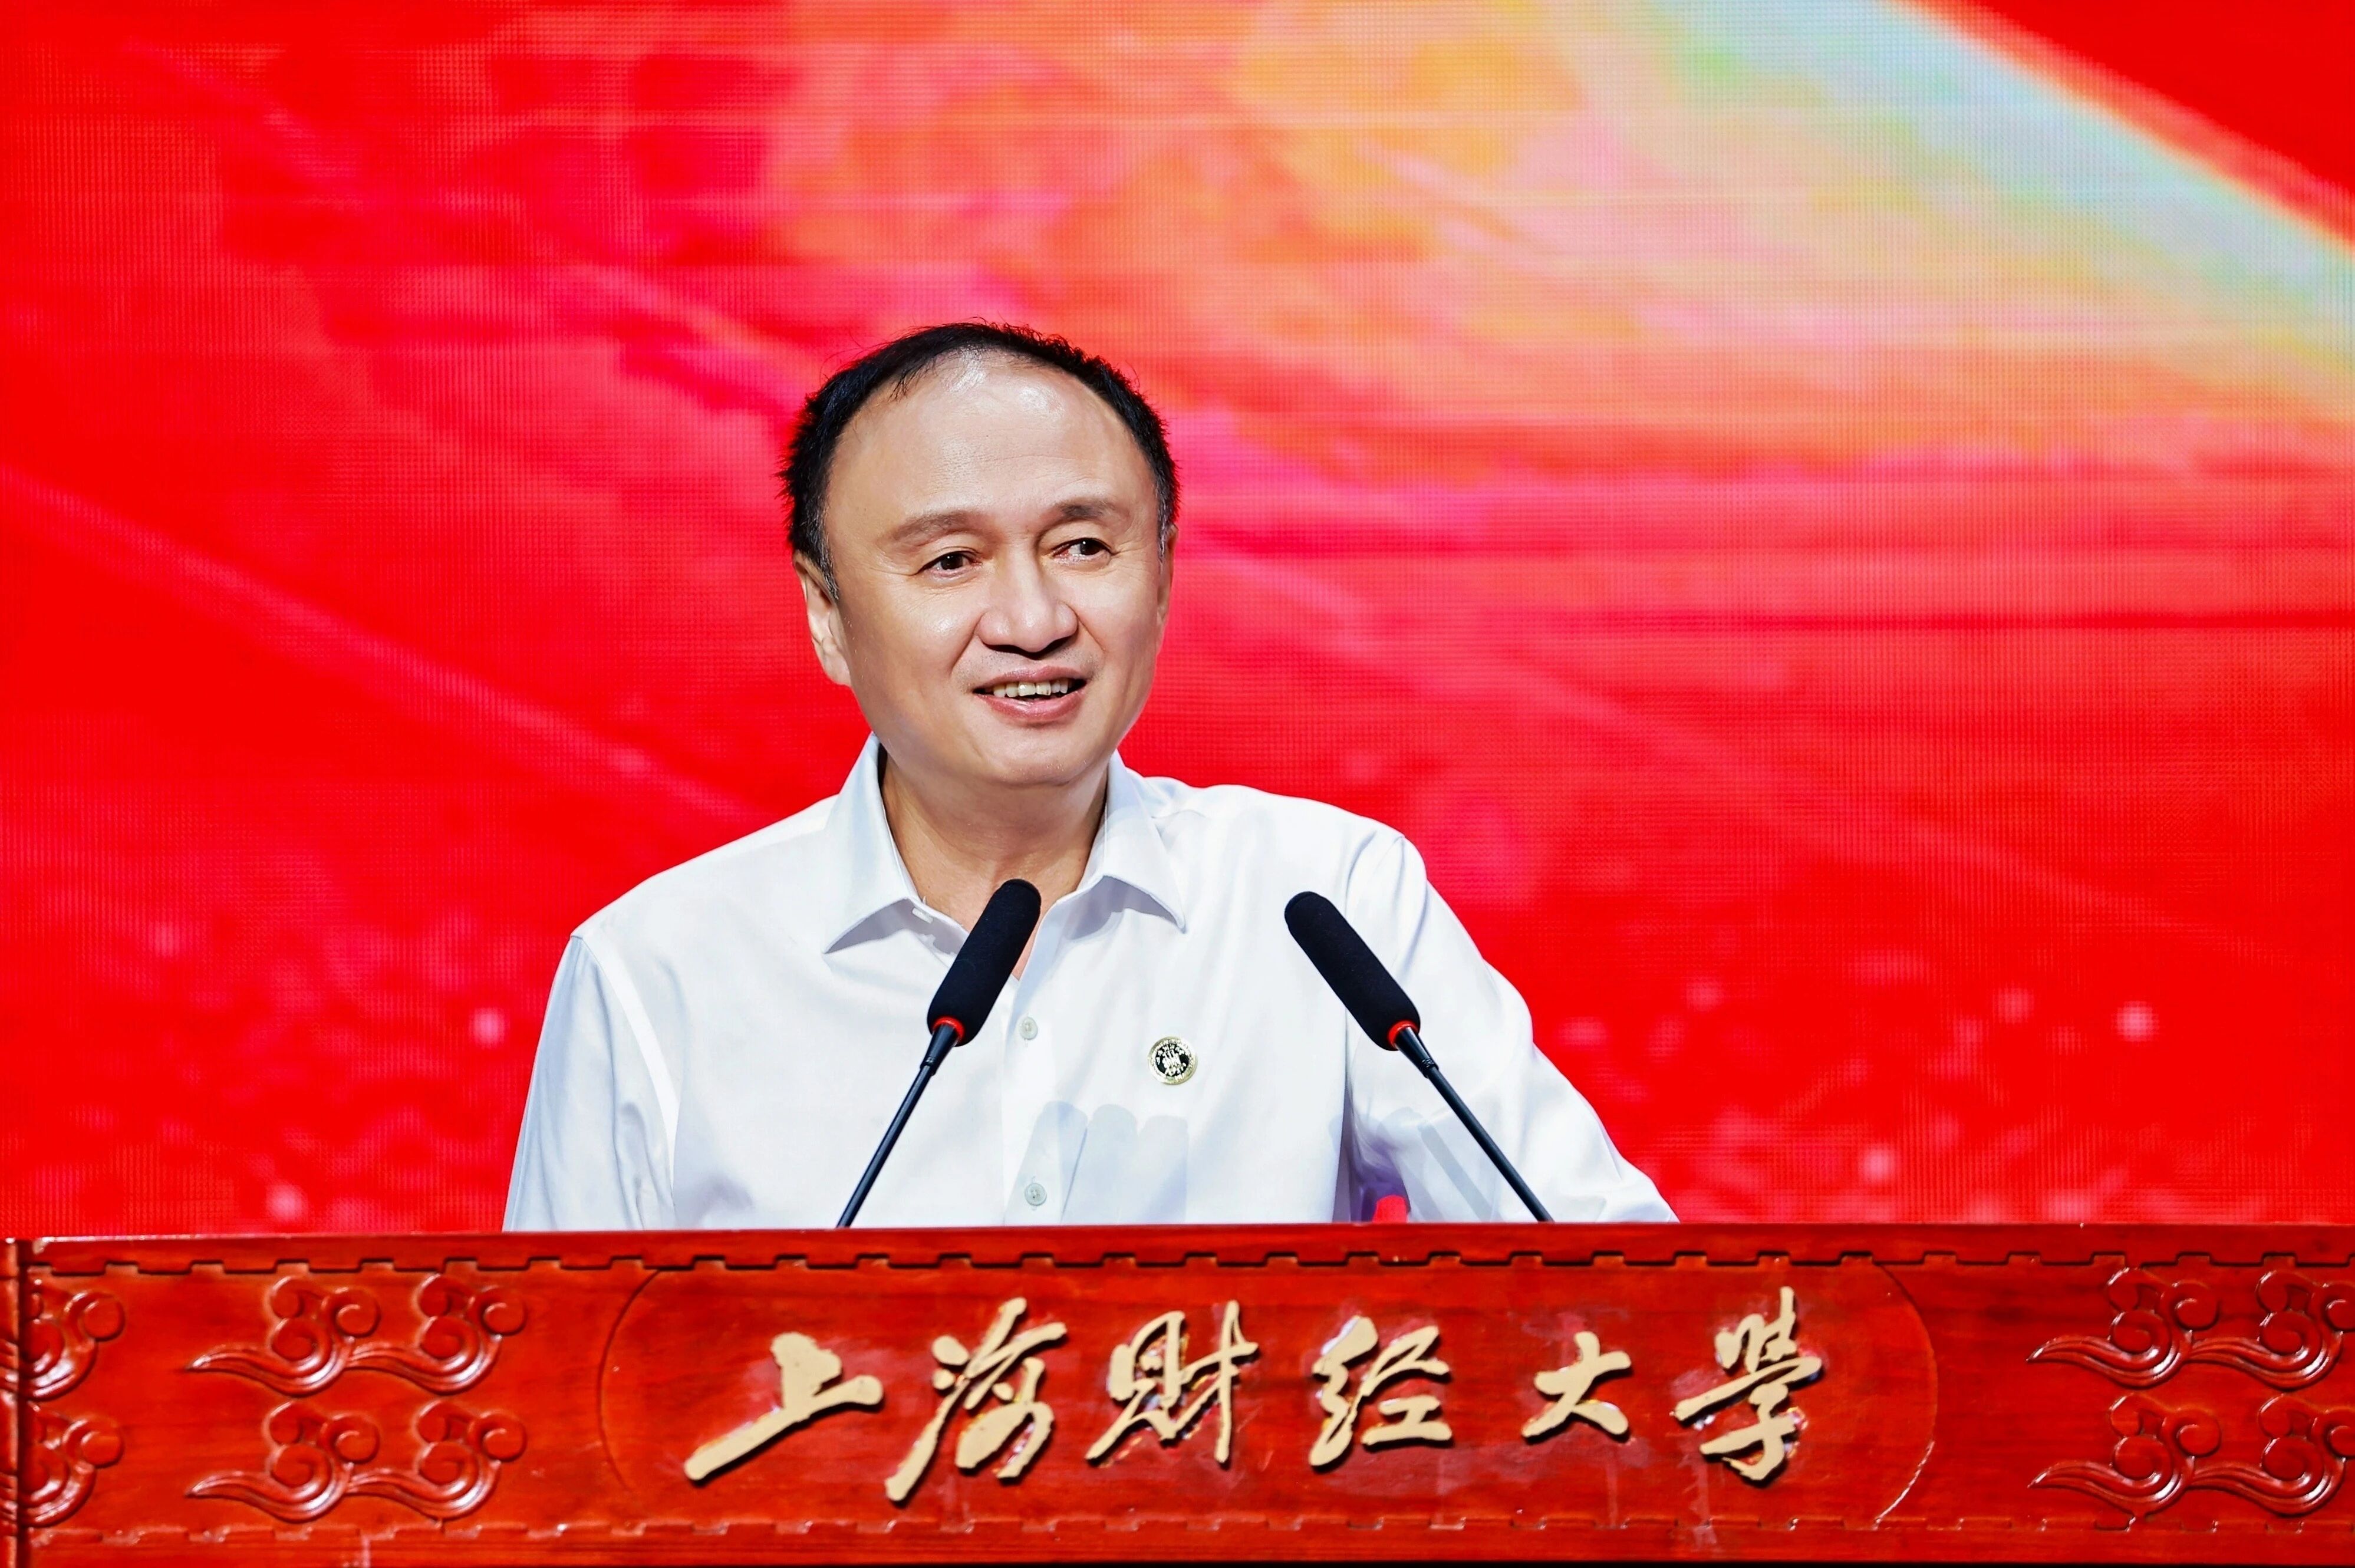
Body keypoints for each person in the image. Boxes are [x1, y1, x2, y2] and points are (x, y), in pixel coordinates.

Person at [505, 323, 1672, 1230]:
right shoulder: (660, 971)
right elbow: (550, 1399)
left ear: (1160, 576)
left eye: (1083, 547)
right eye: (951, 560)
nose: (1032, 619)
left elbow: (1618, 1283)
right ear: (826, 613)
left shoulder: (1324, 898)